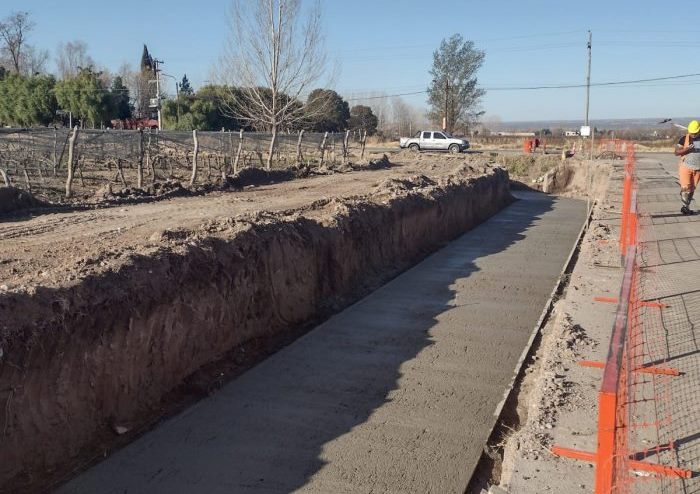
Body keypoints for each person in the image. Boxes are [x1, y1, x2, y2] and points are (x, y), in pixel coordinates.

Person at [674, 120, 700, 215]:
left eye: (694, 133)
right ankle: (685, 207)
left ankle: (687, 205)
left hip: (698, 169)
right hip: (686, 167)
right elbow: (676, 152)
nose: (692, 134)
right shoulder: (684, 139)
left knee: (692, 189)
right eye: (691, 132)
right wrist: (686, 149)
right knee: (686, 188)